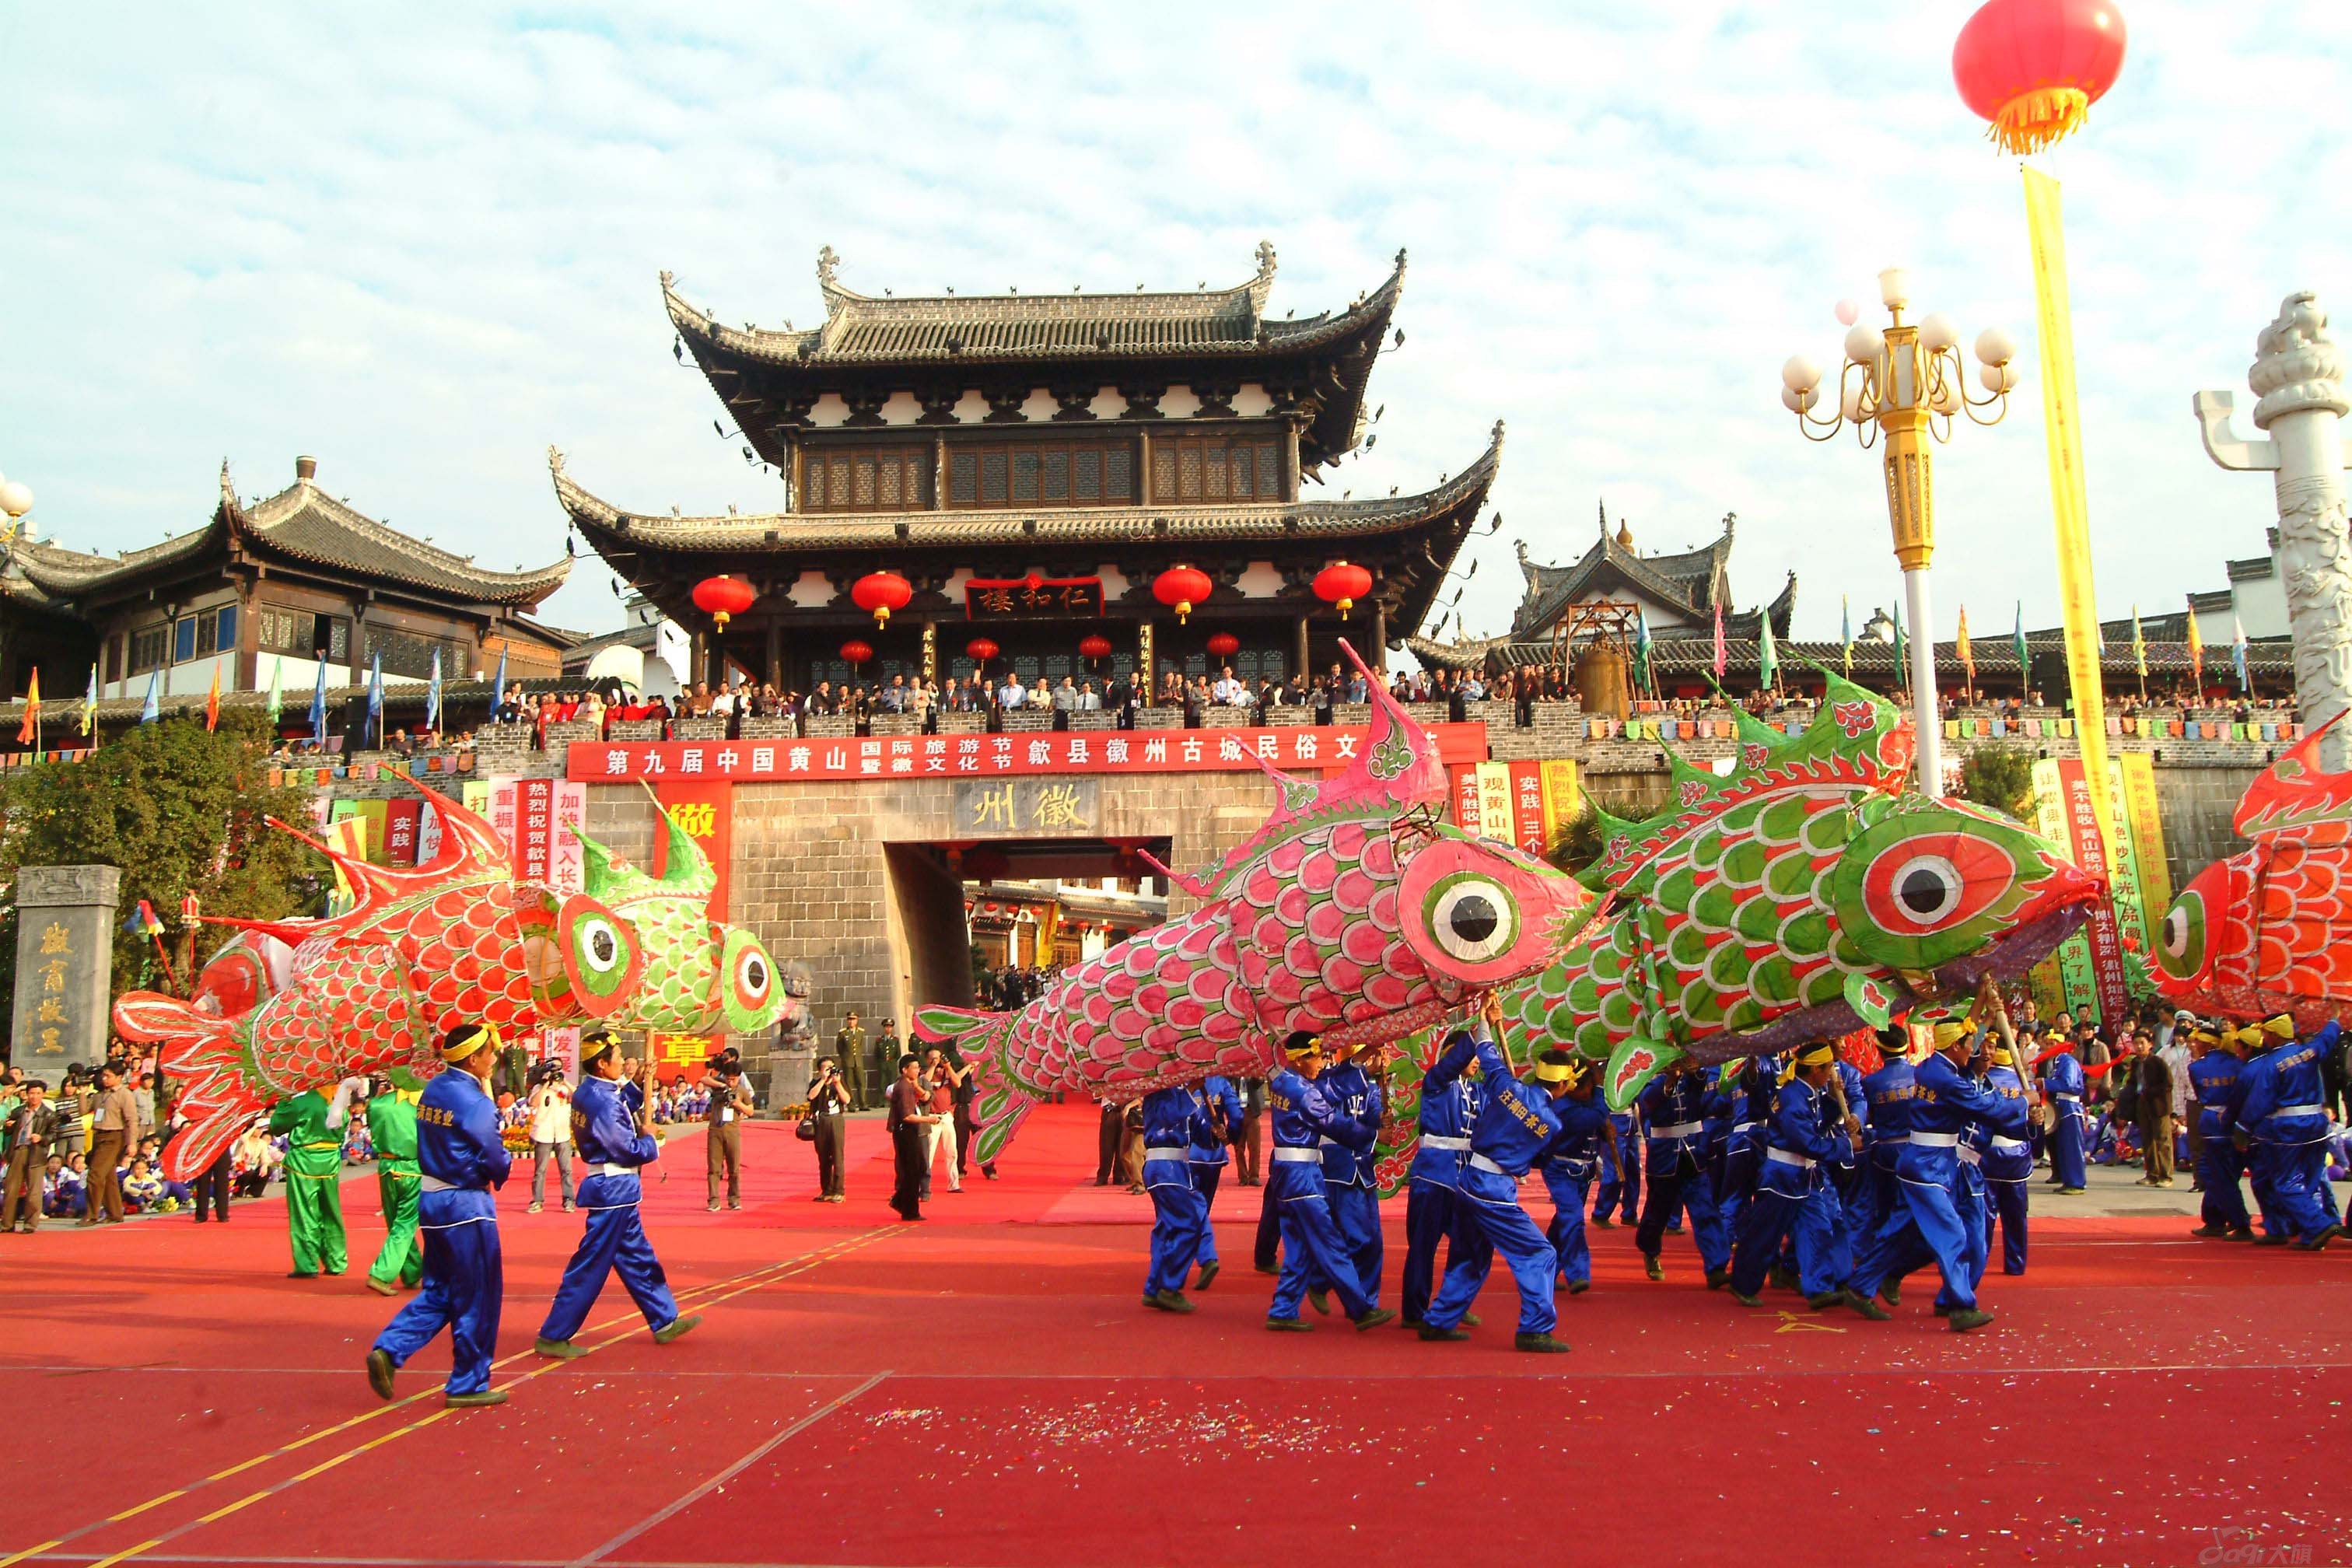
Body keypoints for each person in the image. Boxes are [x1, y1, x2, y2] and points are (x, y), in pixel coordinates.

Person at [367, 1023, 515, 1408]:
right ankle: (469, 1381)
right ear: (472, 1058)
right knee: (477, 1296)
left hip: (431, 1200)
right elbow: (494, 1155)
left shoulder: (433, 1089)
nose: (493, 1058)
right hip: (466, 1205)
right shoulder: (476, 1101)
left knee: (442, 1290)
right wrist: (502, 1168)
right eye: (489, 1053)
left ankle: (391, 1347)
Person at [1419, 1005, 1576, 1354]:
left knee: (1472, 1254)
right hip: (1493, 1191)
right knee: (1540, 1254)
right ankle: (1535, 1329)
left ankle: (1438, 1321)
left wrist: (1486, 1020)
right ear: (1564, 1084)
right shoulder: (1553, 1123)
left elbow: (1486, 1051)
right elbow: (1529, 1157)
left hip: (1468, 1177)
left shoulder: (1506, 1085)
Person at [534, 1031, 702, 1359]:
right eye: (618, 1059)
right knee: (591, 1265)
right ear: (601, 1064)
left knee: (639, 1259)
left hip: (618, 1191)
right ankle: (554, 1334)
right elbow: (625, 1148)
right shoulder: (601, 1100)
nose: (623, 1063)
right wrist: (652, 1141)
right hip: (612, 1189)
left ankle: (663, 1319)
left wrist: (639, 1081)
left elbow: (625, 1101)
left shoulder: (592, 1091)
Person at [1848, 995, 2010, 1333]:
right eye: (1970, 1046)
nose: (1976, 1050)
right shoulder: (1944, 1078)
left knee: (1902, 1234)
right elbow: (1990, 1110)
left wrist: (1982, 1006)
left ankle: (1861, 1285)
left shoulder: (1939, 1065)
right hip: (1926, 1166)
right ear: (1956, 1048)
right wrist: (2024, 1101)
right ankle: (1961, 1306)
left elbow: (1967, 1034)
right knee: (1952, 1233)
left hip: (1935, 1163)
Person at [1262, 1031, 1395, 1333]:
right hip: (1302, 1175)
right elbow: (1334, 1122)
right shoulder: (1303, 1092)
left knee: (1299, 1245)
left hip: (1287, 1172)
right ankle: (1360, 1309)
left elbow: (1331, 1088)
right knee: (1330, 1241)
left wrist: (1362, 1058)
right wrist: (1374, 1137)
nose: (1322, 1062)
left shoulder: (1285, 1081)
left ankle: (1283, 1309)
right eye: (1315, 1057)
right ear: (1298, 1060)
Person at [1727, 1042, 1859, 1311]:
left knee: (1818, 1228)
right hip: (1783, 1176)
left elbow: (1819, 1123)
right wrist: (1846, 1146)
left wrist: (1835, 1099)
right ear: (1816, 1070)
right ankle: (1744, 1283)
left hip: (1806, 1176)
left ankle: (1818, 1288)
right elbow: (1808, 1142)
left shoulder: (1807, 1091)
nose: (1833, 1072)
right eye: (1829, 1067)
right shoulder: (1793, 1098)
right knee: (1765, 1234)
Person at [1400, 1027, 1489, 1329]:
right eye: (1470, 1054)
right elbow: (1451, 1065)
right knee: (1424, 1245)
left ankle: (1453, 1302)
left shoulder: (1478, 1091)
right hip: (1434, 1175)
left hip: (1467, 1178)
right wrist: (1482, 1026)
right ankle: (1415, 1309)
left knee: (1470, 1244)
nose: (1476, 1061)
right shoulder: (1437, 1082)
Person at [2230, 1015, 2343, 1249]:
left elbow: (2259, 1101)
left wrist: (2242, 1128)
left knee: (2286, 1182)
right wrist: (2333, 1017)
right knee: (2311, 1179)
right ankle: (2312, 1234)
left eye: (2268, 1034)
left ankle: (2318, 1224)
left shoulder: (2271, 1063)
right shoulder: (2310, 1051)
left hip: (2289, 1127)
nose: (2265, 1038)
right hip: (2318, 1123)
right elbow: (2328, 1037)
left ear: (2276, 1035)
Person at [1633, 1062, 1732, 1286]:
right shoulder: (1648, 1080)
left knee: (1705, 1209)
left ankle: (1716, 1267)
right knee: (1657, 1213)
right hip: (1664, 1155)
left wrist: (1691, 1068)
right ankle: (1650, 1248)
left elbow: (1701, 1082)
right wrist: (1668, 1080)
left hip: (1694, 1153)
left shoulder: (1692, 1078)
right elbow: (1648, 1104)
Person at [1317, 1043, 1388, 1312]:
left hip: (1364, 1169)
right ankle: (1322, 1280)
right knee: (1355, 1238)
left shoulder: (1370, 1088)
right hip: (1338, 1168)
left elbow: (1372, 1118)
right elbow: (1335, 1124)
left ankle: (1369, 1300)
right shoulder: (1327, 1080)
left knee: (1374, 1241)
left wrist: (1381, 1121)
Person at [1535, 1056, 1613, 1298]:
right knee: (1573, 1217)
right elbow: (1596, 1116)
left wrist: (1605, 1131)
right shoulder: (1563, 1108)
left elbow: (1597, 1121)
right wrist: (1601, 1087)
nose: (1590, 1092)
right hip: (1560, 1170)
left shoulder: (1585, 1105)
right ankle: (1578, 1272)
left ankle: (1543, 1273)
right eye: (1588, 1087)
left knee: (1563, 1224)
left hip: (1583, 1172)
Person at [269, 1076, 360, 1276]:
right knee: (331, 1212)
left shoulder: (303, 1103)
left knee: (305, 1213)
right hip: (330, 1162)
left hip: (304, 1161)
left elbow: (277, 1126)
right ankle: (336, 1261)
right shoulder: (339, 1101)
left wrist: (284, 1100)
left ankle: (307, 1264)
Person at [1139, 1084, 1206, 1313]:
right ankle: (1169, 1287)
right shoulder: (1157, 1093)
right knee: (1189, 1226)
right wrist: (1191, 1091)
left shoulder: (1177, 1093)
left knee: (1166, 1229)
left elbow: (1193, 1127)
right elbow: (1168, 1116)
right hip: (1165, 1168)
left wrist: (1215, 1131)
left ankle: (1155, 1286)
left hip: (1176, 1168)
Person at [2186, 1025, 2255, 1241]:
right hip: (2238, 1123)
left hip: (2214, 1125)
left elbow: (2201, 1095)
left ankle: (2239, 1222)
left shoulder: (2197, 1067)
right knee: (2223, 1174)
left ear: (2206, 1043)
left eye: (2197, 1042)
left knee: (2219, 1176)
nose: (2194, 1046)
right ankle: (2214, 1219)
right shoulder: (2239, 1064)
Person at [1978, 1034, 2035, 1277]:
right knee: (2016, 1215)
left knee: (1984, 1214)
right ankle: (2016, 1264)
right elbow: (2034, 1127)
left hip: (1987, 1154)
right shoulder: (2024, 1085)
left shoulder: (1981, 1083)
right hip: (2016, 1155)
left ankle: (1978, 1263)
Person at [364, 1078, 425, 1296]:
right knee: (405, 1224)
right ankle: (382, 1274)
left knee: (395, 1222)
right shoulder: (423, 1106)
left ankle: (412, 1272)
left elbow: (371, 1124)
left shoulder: (378, 1104)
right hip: (413, 1169)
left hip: (387, 1167)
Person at [1185, 1073, 1241, 1290]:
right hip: (1214, 1156)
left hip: (1186, 1155)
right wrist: (1231, 1137)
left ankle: (1204, 1257)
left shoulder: (1181, 1081)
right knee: (1201, 1209)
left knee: (1191, 1212)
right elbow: (1236, 1117)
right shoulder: (1221, 1082)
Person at [83, 1063, 138, 1226]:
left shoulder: (124, 1094)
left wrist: (132, 1143)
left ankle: (92, 1214)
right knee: (108, 1176)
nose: (104, 1079)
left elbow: (132, 1120)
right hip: (98, 1135)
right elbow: (83, 1110)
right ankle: (115, 1213)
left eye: (108, 1076)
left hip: (114, 1136)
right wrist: (83, 1091)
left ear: (119, 1077)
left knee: (95, 1174)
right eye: (103, 1076)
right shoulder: (100, 1094)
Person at [886, 1055, 937, 1221]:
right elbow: (907, 1116)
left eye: (918, 1068)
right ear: (904, 1070)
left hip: (910, 1130)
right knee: (911, 1171)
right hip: (905, 1131)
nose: (917, 1071)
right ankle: (909, 1209)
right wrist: (929, 1119)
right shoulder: (903, 1088)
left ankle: (901, 1201)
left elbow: (925, 1097)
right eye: (914, 1068)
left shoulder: (909, 1085)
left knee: (918, 1168)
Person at [2, 1080, 57, 1232]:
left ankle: (30, 1224)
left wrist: (42, 1138)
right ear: (27, 1094)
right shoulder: (18, 1111)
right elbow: (8, 1132)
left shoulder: (48, 1114)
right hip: (18, 1150)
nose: (34, 1097)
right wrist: (9, 1126)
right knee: (10, 1189)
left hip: (37, 1152)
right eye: (31, 1093)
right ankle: (7, 1224)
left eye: (38, 1093)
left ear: (43, 1095)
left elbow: (54, 1134)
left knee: (34, 1191)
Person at [2042, 1029, 2089, 1195]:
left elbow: (2069, 1085)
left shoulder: (2067, 1061)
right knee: (2064, 1147)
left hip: (2070, 1108)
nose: (2050, 1047)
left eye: (2053, 1044)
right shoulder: (2058, 1062)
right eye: (2048, 1043)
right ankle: (2069, 1179)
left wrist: (2045, 1083)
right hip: (2062, 1108)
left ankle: (2077, 1182)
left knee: (2072, 1147)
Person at [527, 1066, 576, 1214]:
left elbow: (578, 1097)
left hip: (562, 1134)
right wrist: (546, 1085)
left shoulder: (564, 1088)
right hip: (544, 1133)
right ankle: (537, 1201)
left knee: (566, 1170)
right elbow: (534, 1103)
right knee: (540, 1170)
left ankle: (569, 1200)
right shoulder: (539, 1088)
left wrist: (565, 1082)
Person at [705, 1060, 751, 1212]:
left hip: (733, 1132)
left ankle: (734, 1199)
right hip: (715, 1131)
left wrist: (739, 1104)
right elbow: (703, 1079)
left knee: (734, 1168)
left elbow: (750, 1111)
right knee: (714, 1168)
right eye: (729, 1078)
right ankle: (713, 1200)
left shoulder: (742, 1091)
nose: (731, 1082)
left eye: (734, 1079)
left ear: (739, 1078)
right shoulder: (719, 1085)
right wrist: (721, 1086)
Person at [2134, 1031, 2178, 1188]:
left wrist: (2151, 1092)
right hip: (2142, 1104)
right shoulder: (2136, 1063)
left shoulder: (2157, 1062)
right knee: (2147, 1140)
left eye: (2142, 1043)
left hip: (2158, 1105)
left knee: (2163, 1140)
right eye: (2136, 1043)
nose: (2139, 1047)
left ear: (2150, 1044)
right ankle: (2151, 1174)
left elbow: (2168, 1084)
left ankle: (2166, 1175)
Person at [922, 1048, 964, 1196]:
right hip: (932, 1118)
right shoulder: (925, 1073)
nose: (938, 1060)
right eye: (934, 1058)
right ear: (928, 1060)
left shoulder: (946, 1073)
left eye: (939, 1058)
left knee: (952, 1151)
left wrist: (948, 1067)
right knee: (929, 1154)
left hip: (946, 1116)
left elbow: (958, 1083)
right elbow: (924, 1083)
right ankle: (924, 1186)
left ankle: (954, 1184)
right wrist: (933, 1067)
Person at [807, 1055, 849, 1203]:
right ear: (820, 1071)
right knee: (823, 1157)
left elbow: (847, 1099)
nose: (830, 1071)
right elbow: (811, 1096)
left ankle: (839, 1190)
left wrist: (837, 1084)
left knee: (837, 1156)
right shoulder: (816, 1082)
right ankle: (827, 1189)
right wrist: (823, 1081)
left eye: (831, 1067)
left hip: (836, 1119)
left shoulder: (839, 1082)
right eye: (826, 1068)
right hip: (821, 1120)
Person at [835, 1012, 869, 1111]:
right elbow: (839, 1047)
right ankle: (851, 1104)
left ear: (857, 1020)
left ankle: (863, 1104)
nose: (851, 1021)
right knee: (849, 1084)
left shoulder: (860, 1032)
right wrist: (845, 1057)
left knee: (861, 1083)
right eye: (849, 1019)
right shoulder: (843, 1033)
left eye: (853, 1019)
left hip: (858, 1061)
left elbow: (860, 1046)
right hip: (847, 1061)